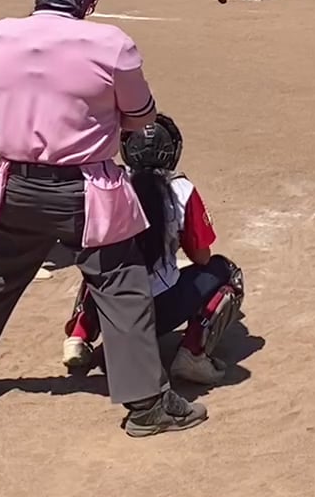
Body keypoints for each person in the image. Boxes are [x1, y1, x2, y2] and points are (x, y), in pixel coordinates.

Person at [0, 0, 207, 438]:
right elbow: (142, 118)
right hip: (87, 192)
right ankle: (147, 405)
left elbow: (4, 98)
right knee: (120, 281)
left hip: (16, 186)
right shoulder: (112, 44)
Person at [61, 113, 245, 387]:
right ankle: (192, 354)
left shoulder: (108, 183)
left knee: (99, 266)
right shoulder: (181, 189)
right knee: (226, 272)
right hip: (158, 312)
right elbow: (201, 256)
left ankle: (79, 336)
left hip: (112, 309)